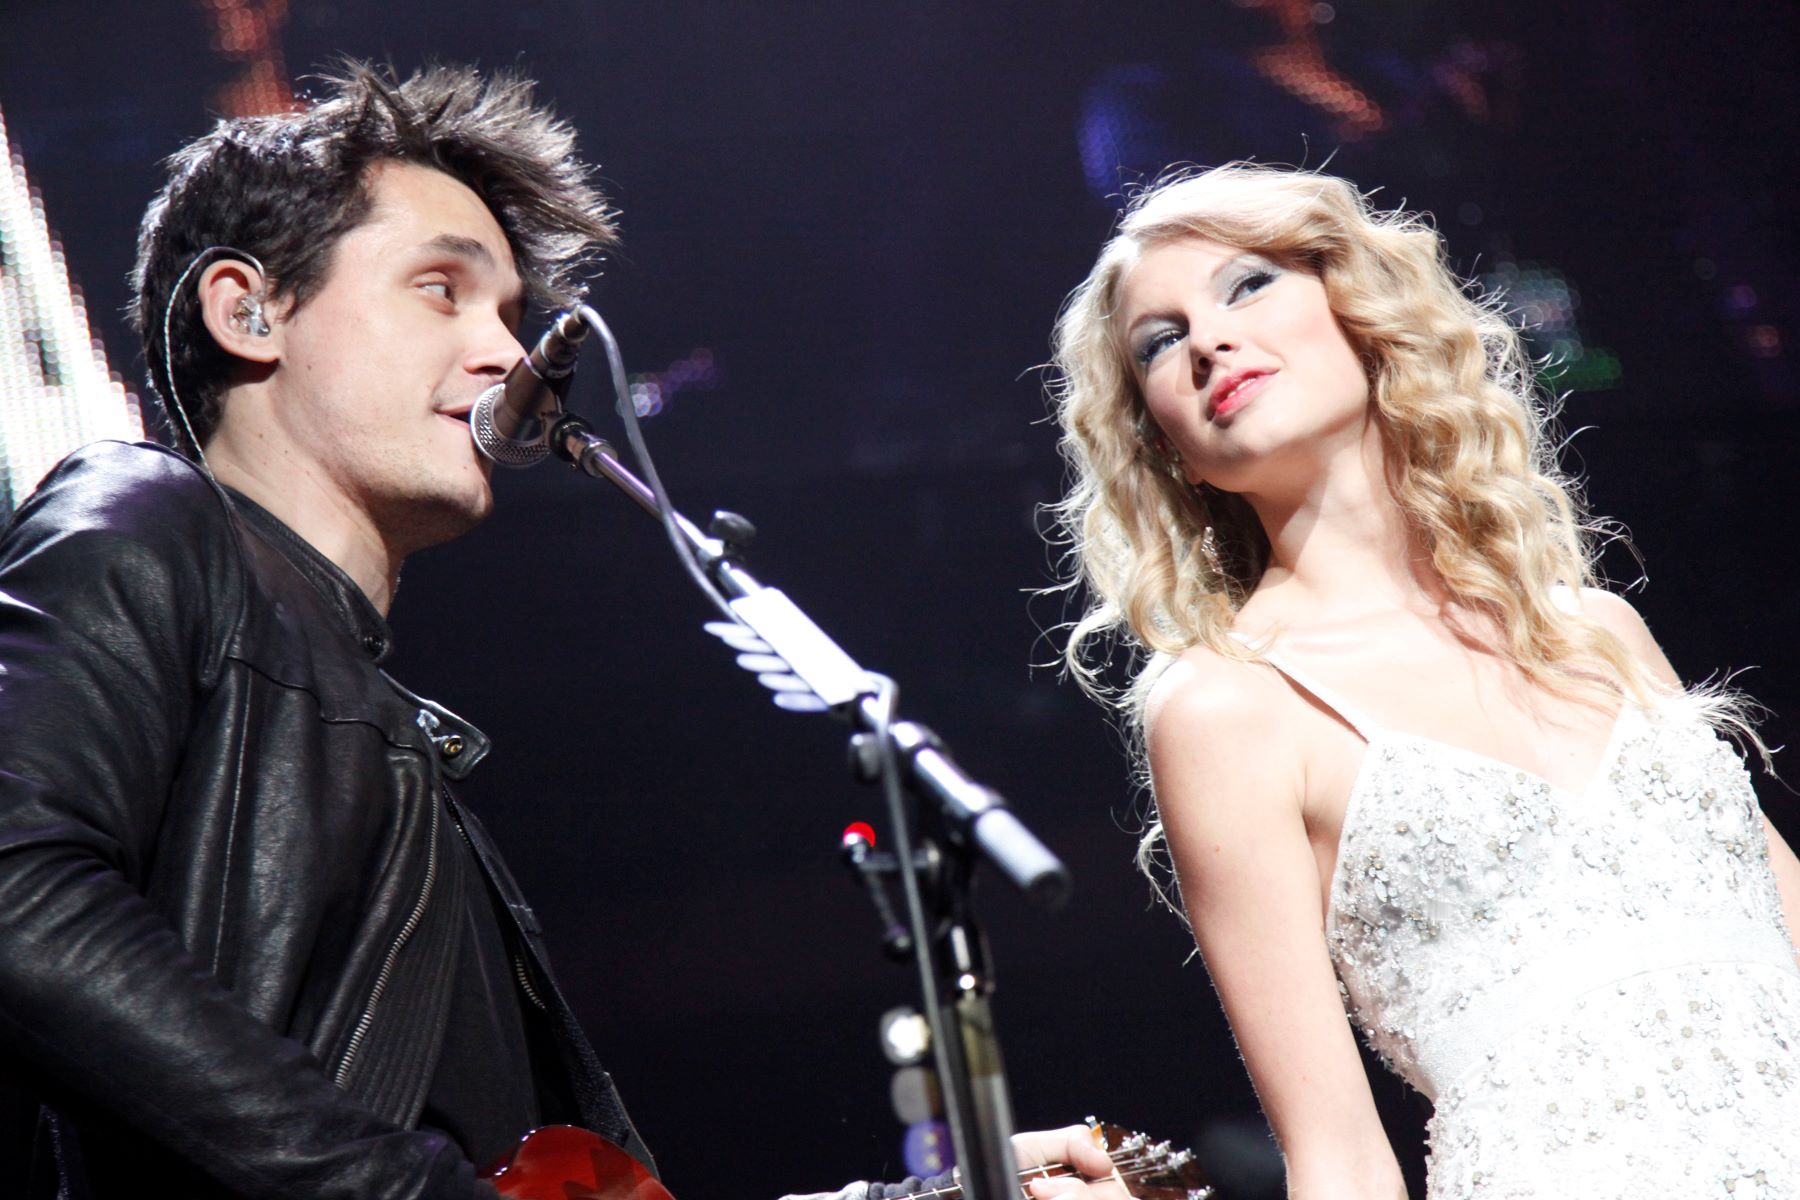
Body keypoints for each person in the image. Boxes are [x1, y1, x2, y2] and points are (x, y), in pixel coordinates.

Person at [0, 62, 1121, 1200]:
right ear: (249, 310)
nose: (507, 355)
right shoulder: (138, 516)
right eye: (441, 289)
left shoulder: (389, 726)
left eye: (511, 317)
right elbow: (16, 890)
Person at [1046, 162, 1800, 1198]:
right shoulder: (1228, 708)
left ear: (1358, 310)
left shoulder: (1597, 631)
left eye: (1248, 286)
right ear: (1167, 444)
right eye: (1161, 343)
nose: (1209, 341)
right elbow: (1342, 1158)